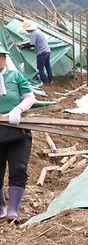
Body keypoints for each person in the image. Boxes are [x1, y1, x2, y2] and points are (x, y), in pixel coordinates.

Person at [0, 44, 37, 223]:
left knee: (18, 169)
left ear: (4, 59)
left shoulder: (15, 76)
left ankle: (13, 210)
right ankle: (1, 207)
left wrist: (18, 109)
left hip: (17, 131)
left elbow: (30, 97)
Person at [19, 20, 52, 86]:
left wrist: (23, 46)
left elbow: (32, 44)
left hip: (41, 52)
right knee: (48, 66)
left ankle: (43, 82)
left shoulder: (33, 34)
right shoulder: (38, 31)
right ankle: (50, 80)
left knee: (40, 67)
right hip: (47, 50)